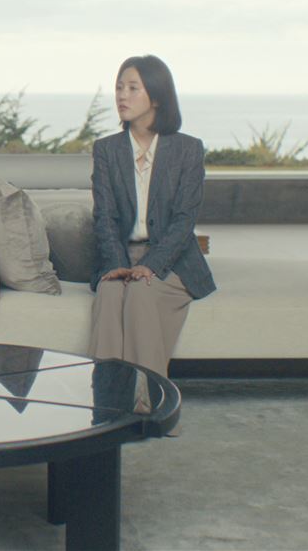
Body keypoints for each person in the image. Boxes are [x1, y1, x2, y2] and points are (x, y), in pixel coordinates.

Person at [88, 55, 216, 407]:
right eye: (118, 87)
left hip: (172, 261)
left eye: (133, 88)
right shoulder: (106, 150)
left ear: (157, 97)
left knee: (141, 293)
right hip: (121, 255)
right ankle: (105, 406)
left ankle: (151, 406)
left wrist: (150, 265)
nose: (121, 95)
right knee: (111, 293)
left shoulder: (187, 149)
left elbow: (184, 221)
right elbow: (105, 217)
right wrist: (117, 264)